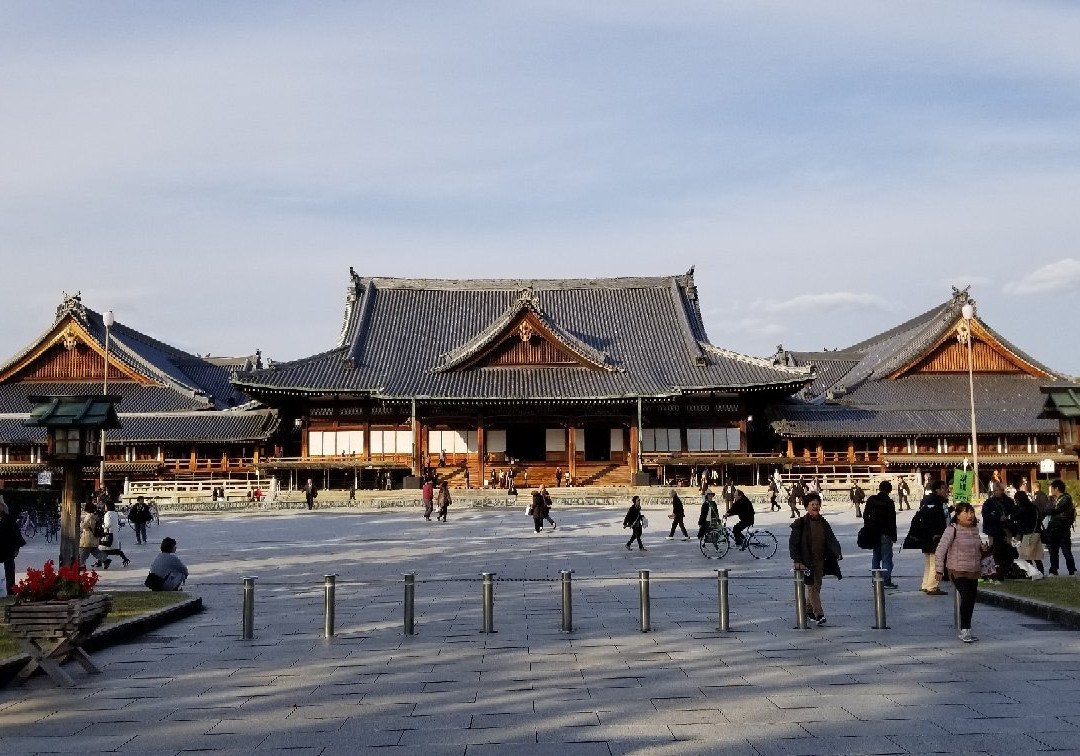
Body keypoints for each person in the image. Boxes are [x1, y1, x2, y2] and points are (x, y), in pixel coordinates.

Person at [935, 503, 988, 642]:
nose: (970, 515)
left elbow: (978, 547)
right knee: (968, 597)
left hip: (973, 570)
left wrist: (983, 548)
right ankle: (964, 630)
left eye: (971, 512)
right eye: (966, 512)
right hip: (957, 570)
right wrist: (939, 569)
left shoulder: (975, 529)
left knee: (971, 600)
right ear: (958, 516)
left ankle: (967, 629)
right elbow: (940, 550)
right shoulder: (952, 529)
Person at [789, 492, 843, 626]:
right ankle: (819, 614)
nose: (815, 507)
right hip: (806, 561)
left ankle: (808, 609)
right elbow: (793, 543)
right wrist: (797, 560)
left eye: (817, 504)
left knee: (816, 587)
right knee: (812, 587)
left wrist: (837, 552)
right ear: (806, 507)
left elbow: (831, 539)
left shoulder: (824, 523)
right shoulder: (800, 523)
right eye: (812, 504)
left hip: (820, 560)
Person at [911, 479, 949, 594]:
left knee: (929, 561)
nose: (946, 491)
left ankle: (926, 584)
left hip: (925, 535)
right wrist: (936, 534)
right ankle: (932, 586)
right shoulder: (936, 501)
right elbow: (933, 519)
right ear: (937, 490)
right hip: (934, 535)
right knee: (935, 561)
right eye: (943, 488)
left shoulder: (926, 500)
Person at [863, 480, 898, 588]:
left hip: (874, 532)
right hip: (885, 533)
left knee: (876, 557)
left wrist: (869, 526)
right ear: (889, 490)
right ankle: (886, 581)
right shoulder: (889, 502)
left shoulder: (872, 500)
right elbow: (892, 520)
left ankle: (876, 580)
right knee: (886, 557)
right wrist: (894, 536)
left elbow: (865, 515)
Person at [1012, 488, 1045, 578]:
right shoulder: (1033, 507)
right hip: (1037, 532)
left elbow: (1014, 518)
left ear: (1018, 500)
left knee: (1027, 557)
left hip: (1028, 534)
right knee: (1037, 557)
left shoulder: (1023, 509)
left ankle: (1032, 573)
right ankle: (1041, 573)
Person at [1045, 479, 1076, 576]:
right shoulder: (1054, 499)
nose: (1051, 490)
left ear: (1056, 488)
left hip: (1062, 528)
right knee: (1053, 552)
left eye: (1052, 488)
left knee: (1066, 551)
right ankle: (1053, 570)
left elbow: (1054, 510)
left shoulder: (1065, 498)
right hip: (1053, 529)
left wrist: (1048, 509)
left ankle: (1072, 570)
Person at [0, 494, 26, 594]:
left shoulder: (8, 518)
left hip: (7, 549)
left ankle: (11, 592)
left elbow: (15, 533)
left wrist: (16, 548)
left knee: (9, 571)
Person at [79, 503, 110, 569]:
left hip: (87, 538)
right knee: (94, 551)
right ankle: (105, 559)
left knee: (83, 552)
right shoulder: (95, 516)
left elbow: (84, 526)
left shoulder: (89, 516)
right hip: (94, 537)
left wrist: (81, 523)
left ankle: (82, 565)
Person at [101, 502, 131, 567]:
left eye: (105, 506)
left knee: (103, 548)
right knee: (113, 549)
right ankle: (124, 559)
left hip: (108, 533)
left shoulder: (107, 514)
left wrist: (102, 526)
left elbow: (107, 524)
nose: (105, 507)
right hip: (114, 533)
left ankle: (103, 561)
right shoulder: (115, 513)